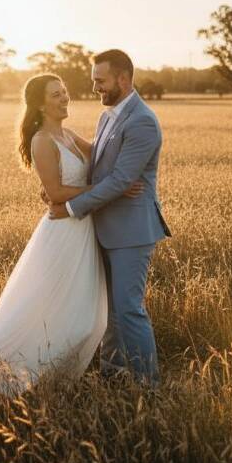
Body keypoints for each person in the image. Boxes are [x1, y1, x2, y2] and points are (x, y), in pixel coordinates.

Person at [0, 73, 144, 394]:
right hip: (63, 232)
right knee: (73, 318)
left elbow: (103, 155)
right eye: (56, 94)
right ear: (39, 104)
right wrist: (114, 189)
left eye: (65, 91)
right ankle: (2, 375)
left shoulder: (67, 134)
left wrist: (130, 133)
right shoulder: (42, 140)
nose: (65, 97)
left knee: (87, 318)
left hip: (83, 231)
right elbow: (55, 191)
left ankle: (49, 382)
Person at [48, 49, 171, 387]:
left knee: (129, 310)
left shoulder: (142, 121)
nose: (95, 88)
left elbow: (121, 180)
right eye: (93, 81)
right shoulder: (107, 117)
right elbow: (103, 169)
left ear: (123, 78)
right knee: (112, 312)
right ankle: (113, 375)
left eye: (100, 81)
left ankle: (150, 384)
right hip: (105, 228)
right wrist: (59, 189)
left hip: (132, 231)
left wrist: (70, 207)